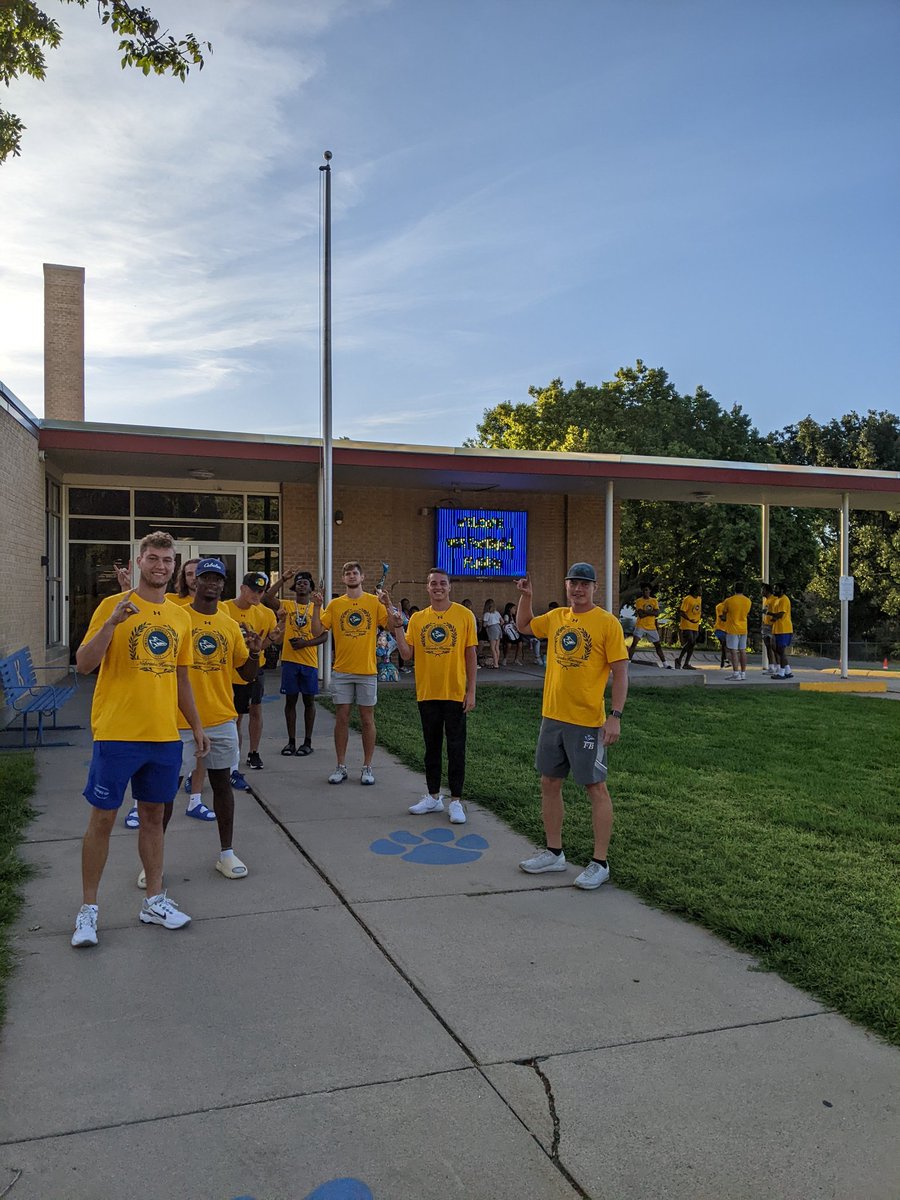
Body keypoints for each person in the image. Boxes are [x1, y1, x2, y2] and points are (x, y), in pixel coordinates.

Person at [71, 531, 210, 948]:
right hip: (117, 733)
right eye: (153, 558)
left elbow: (182, 676)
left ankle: (153, 900)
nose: (161, 566)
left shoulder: (180, 616)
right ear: (138, 563)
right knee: (103, 820)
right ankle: (88, 910)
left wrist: (197, 726)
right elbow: (82, 665)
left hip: (165, 735)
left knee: (154, 819)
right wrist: (113, 624)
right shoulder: (111, 606)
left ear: (175, 566)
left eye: (167, 560)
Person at [142, 558, 263, 888]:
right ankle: (153, 862)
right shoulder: (178, 617)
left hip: (221, 718)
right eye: (205, 577)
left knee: (222, 786)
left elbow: (247, 676)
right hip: (177, 720)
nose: (211, 583)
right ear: (195, 582)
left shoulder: (228, 625)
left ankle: (226, 853)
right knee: (165, 792)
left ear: (224, 584)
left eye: (217, 578)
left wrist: (254, 653)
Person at [514, 562, 628, 890]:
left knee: (596, 788)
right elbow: (523, 625)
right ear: (566, 586)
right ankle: (554, 853)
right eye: (572, 583)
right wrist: (527, 595)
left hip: (587, 722)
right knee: (549, 782)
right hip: (553, 717)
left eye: (583, 584)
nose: (577, 589)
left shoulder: (607, 623)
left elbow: (620, 672)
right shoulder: (557, 618)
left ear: (593, 588)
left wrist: (615, 716)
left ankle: (600, 862)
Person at [391, 569, 477, 825]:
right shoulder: (418, 619)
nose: (438, 587)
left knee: (456, 748)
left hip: (454, 693)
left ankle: (457, 801)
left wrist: (471, 690)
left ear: (449, 587)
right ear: (427, 588)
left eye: (442, 583)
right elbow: (406, 654)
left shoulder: (464, 615)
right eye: (433, 584)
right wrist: (397, 628)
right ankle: (433, 796)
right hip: (428, 693)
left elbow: (470, 655)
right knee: (431, 748)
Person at [311, 562, 389, 786]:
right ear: (343, 579)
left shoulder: (374, 602)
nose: (351, 576)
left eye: (355, 573)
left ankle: (367, 767)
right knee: (342, 718)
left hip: (367, 670)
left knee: (367, 719)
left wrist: (389, 603)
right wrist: (317, 607)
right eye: (347, 573)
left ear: (362, 576)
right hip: (342, 670)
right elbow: (317, 631)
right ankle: (341, 766)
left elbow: (393, 625)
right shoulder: (335, 604)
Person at [222, 572, 280, 782]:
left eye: (260, 591)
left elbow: (261, 647)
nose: (256, 595)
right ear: (242, 588)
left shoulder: (265, 614)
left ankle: (253, 752)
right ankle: (232, 761)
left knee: (255, 710)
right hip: (230, 671)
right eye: (253, 589)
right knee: (233, 717)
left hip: (255, 669)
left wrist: (270, 640)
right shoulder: (224, 609)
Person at [266, 569, 328, 756]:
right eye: (298, 582)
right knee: (290, 702)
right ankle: (291, 742)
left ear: (311, 588)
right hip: (289, 661)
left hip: (309, 661)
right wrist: (282, 579)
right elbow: (267, 598)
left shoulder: (317, 608)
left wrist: (305, 643)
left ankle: (307, 742)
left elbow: (324, 636)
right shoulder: (286, 605)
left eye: (305, 583)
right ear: (294, 587)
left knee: (309, 702)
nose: (301, 584)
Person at [628, 586, 671, 668]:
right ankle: (628, 662)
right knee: (634, 643)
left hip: (651, 627)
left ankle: (665, 664)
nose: (645, 592)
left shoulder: (654, 601)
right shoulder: (639, 601)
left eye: (647, 590)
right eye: (644, 590)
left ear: (650, 591)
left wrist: (645, 612)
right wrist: (651, 612)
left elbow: (657, 613)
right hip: (640, 625)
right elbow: (640, 615)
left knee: (657, 645)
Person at [722, 583, 752, 680]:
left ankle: (736, 673)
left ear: (734, 589)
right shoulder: (748, 601)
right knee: (743, 650)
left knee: (733, 651)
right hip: (743, 628)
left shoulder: (729, 601)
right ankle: (743, 673)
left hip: (732, 628)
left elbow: (724, 613)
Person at [768, 585, 795, 678]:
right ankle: (788, 670)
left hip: (784, 629)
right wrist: (772, 619)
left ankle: (781, 672)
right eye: (774, 588)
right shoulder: (777, 600)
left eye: (776, 588)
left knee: (781, 650)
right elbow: (776, 616)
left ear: (782, 590)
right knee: (776, 649)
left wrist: (769, 613)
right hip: (777, 628)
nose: (774, 590)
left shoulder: (784, 599)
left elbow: (780, 614)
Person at [674, 588, 702, 670]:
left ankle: (685, 663)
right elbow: (682, 612)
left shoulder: (699, 599)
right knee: (691, 641)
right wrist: (689, 619)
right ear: (694, 591)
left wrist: (699, 620)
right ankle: (679, 660)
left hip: (695, 624)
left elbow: (698, 610)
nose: (701, 591)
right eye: (699, 590)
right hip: (687, 624)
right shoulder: (687, 599)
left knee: (692, 644)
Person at [501, 601, 523, 666]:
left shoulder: (514, 616)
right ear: (509, 609)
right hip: (508, 634)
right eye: (514, 608)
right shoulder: (506, 616)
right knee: (509, 645)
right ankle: (505, 658)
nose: (515, 610)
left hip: (515, 633)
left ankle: (516, 659)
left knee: (520, 644)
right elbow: (506, 625)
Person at [482, 598, 502, 668]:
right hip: (498, 628)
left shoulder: (487, 614)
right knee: (497, 647)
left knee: (492, 647)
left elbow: (484, 625)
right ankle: (496, 662)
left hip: (492, 629)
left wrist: (488, 625)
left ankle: (495, 664)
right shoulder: (497, 613)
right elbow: (502, 621)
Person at [761, 583, 776, 674]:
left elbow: (775, 612)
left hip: (772, 626)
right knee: (767, 646)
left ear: (767, 590)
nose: (761, 592)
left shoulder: (774, 599)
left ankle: (778, 666)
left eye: (763, 590)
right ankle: (771, 667)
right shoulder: (766, 600)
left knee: (774, 647)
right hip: (765, 625)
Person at [713, 599, 728, 669]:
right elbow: (722, 617)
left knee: (724, 645)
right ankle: (725, 660)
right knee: (723, 643)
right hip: (719, 629)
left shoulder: (731, 606)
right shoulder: (719, 606)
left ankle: (723, 662)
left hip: (727, 630)